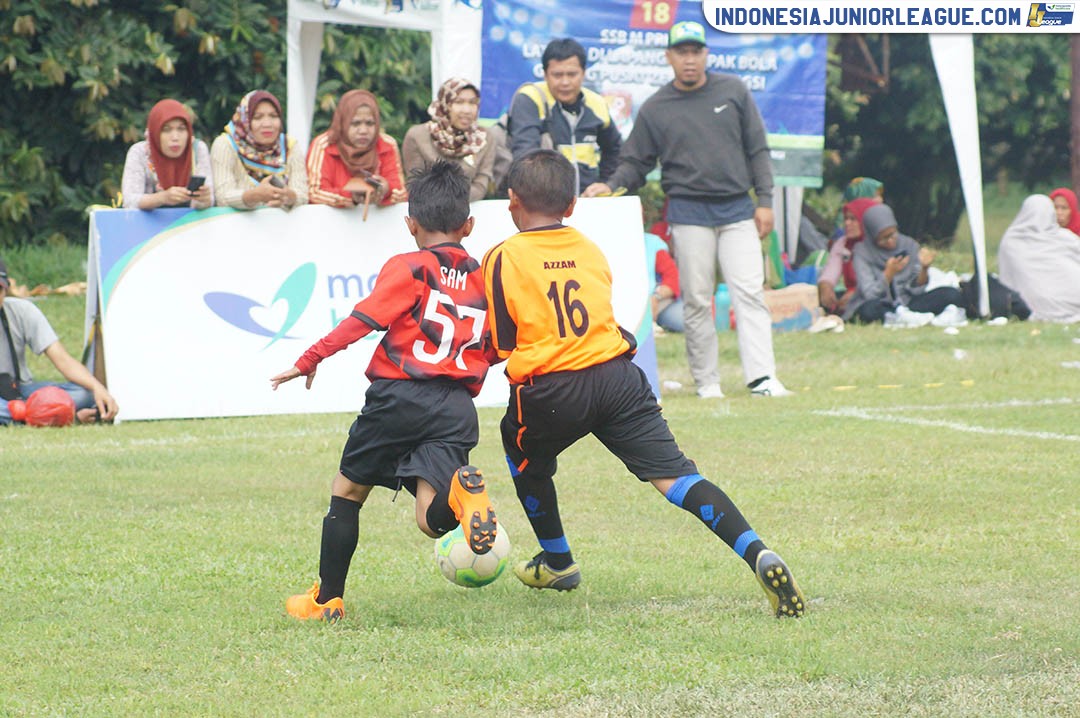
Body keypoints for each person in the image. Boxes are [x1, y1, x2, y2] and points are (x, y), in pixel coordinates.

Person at [482, 150, 805, 618]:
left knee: (520, 452)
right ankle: (757, 552)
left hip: (554, 390)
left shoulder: (502, 256)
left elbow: (504, 343)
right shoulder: (589, 249)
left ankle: (557, 561)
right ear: (572, 206)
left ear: (511, 201)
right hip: (618, 378)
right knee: (677, 478)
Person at [272, 162, 497, 622]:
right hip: (456, 405)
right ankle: (462, 494)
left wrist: (310, 358)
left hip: (399, 397)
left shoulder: (408, 266)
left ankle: (327, 600)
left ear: (410, 224)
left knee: (348, 490)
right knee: (430, 519)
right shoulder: (484, 279)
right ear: (469, 226)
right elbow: (496, 346)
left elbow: (362, 320)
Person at [584, 21, 789, 399]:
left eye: (696, 51)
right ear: (669, 57)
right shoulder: (658, 107)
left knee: (750, 293)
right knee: (696, 298)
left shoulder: (734, 90)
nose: (690, 59)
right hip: (688, 211)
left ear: (706, 54)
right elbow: (635, 161)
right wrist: (610, 185)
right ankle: (707, 381)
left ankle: (762, 377)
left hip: (737, 208)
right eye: (682, 52)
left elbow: (757, 149)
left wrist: (765, 201)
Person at [0, 258, 119, 425]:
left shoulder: (21, 311)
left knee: (85, 393)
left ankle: (37, 414)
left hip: (18, 391)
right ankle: (57, 415)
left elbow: (63, 360)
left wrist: (97, 388)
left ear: (6, 291)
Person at [506, 38, 622, 196]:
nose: (565, 82)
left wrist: (606, 183)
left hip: (588, 202)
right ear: (545, 74)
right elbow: (526, 158)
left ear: (584, 73)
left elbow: (615, 149)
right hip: (543, 202)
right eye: (557, 75)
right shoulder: (530, 98)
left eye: (572, 74)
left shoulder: (597, 103)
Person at [843, 203, 965, 324]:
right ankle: (899, 317)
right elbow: (870, 294)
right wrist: (888, 274)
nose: (891, 241)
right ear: (872, 235)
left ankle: (908, 316)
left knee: (951, 294)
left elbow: (917, 289)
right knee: (868, 311)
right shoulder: (862, 252)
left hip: (909, 302)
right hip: (882, 304)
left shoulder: (909, 245)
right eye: (884, 238)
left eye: (893, 234)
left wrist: (924, 269)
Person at [307, 89, 407, 209]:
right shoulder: (325, 145)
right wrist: (351, 196)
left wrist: (385, 189)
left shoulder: (387, 144)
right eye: (355, 123)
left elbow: (401, 192)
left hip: (378, 224)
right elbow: (314, 193)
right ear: (343, 122)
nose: (363, 131)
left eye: (370, 123)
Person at [210, 90, 307, 210]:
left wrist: (289, 196)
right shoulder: (225, 145)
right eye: (257, 117)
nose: (267, 124)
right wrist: (254, 196)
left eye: (273, 116)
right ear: (245, 120)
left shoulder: (289, 146)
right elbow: (223, 197)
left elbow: (303, 195)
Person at [402, 78, 495, 202]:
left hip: (468, 210)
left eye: (472, 103)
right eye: (459, 102)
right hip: (427, 212)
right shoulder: (418, 136)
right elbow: (415, 185)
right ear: (445, 103)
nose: (467, 110)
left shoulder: (484, 138)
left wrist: (455, 203)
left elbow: (481, 185)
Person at [998, 194, 1080, 323]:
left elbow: (1007, 280)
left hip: (1034, 306)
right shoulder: (1066, 238)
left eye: (1064, 208)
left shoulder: (1011, 241)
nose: (1059, 212)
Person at [121, 99, 213, 210]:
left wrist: (204, 199)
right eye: (166, 130)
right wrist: (162, 198)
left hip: (190, 224)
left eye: (181, 129)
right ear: (155, 132)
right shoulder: (140, 152)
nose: (175, 137)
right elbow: (130, 202)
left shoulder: (197, 150)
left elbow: (208, 201)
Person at [817, 197, 878, 316]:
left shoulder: (878, 243)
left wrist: (857, 293)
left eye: (853, 219)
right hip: (850, 295)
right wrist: (825, 286)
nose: (847, 223)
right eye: (846, 219)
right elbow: (830, 272)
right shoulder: (842, 244)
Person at [645, 232, 684, 333]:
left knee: (684, 321)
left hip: (655, 300)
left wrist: (656, 297)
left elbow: (672, 277)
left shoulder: (651, 243)